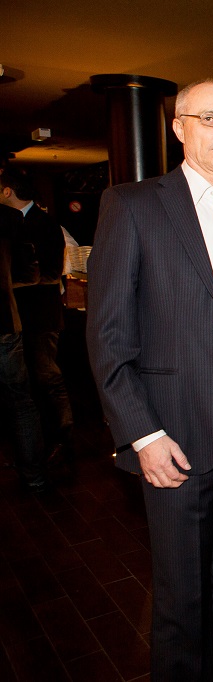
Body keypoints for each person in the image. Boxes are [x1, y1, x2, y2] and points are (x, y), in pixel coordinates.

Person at [86, 79, 213, 681]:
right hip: (175, 425)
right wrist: (143, 435)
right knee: (182, 595)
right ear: (178, 128)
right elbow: (107, 336)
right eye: (210, 119)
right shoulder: (134, 206)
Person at [0, 166, 73, 462]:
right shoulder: (12, 222)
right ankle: (36, 445)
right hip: (20, 316)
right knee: (26, 384)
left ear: (7, 191)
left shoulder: (44, 223)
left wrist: (11, 280)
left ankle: (63, 439)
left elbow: (53, 273)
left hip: (41, 317)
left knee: (47, 378)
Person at [0, 202, 45, 492]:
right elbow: (31, 273)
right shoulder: (9, 218)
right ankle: (35, 478)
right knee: (20, 403)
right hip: (4, 321)